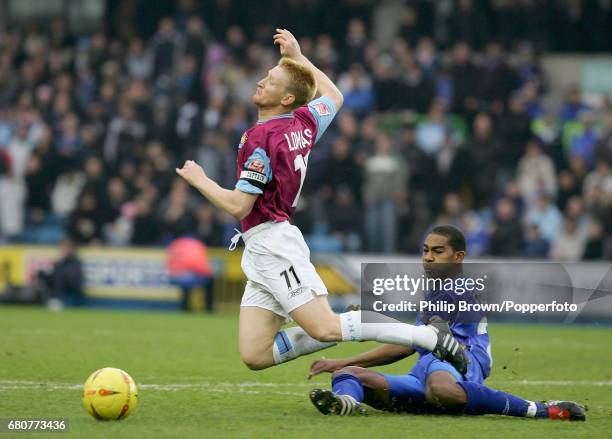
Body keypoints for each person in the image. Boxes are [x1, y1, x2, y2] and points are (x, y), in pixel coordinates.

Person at [176, 29, 468, 372]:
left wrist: (201, 181)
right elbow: (334, 94)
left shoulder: (261, 138)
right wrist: (297, 57)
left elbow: (241, 205)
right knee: (255, 354)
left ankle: (428, 336)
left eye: (270, 81)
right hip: (263, 245)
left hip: (273, 242)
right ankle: (345, 321)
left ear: (286, 99)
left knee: (325, 328)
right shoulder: (304, 121)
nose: (260, 82)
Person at [307, 225, 586, 421]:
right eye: (426, 250)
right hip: (426, 369)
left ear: (458, 257)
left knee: (440, 386)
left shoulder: (459, 289)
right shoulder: (436, 290)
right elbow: (409, 343)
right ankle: (347, 404)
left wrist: (371, 326)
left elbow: (419, 340)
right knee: (346, 377)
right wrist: (343, 364)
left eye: (437, 251)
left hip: (461, 363)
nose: (428, 257)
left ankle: (536, 409)